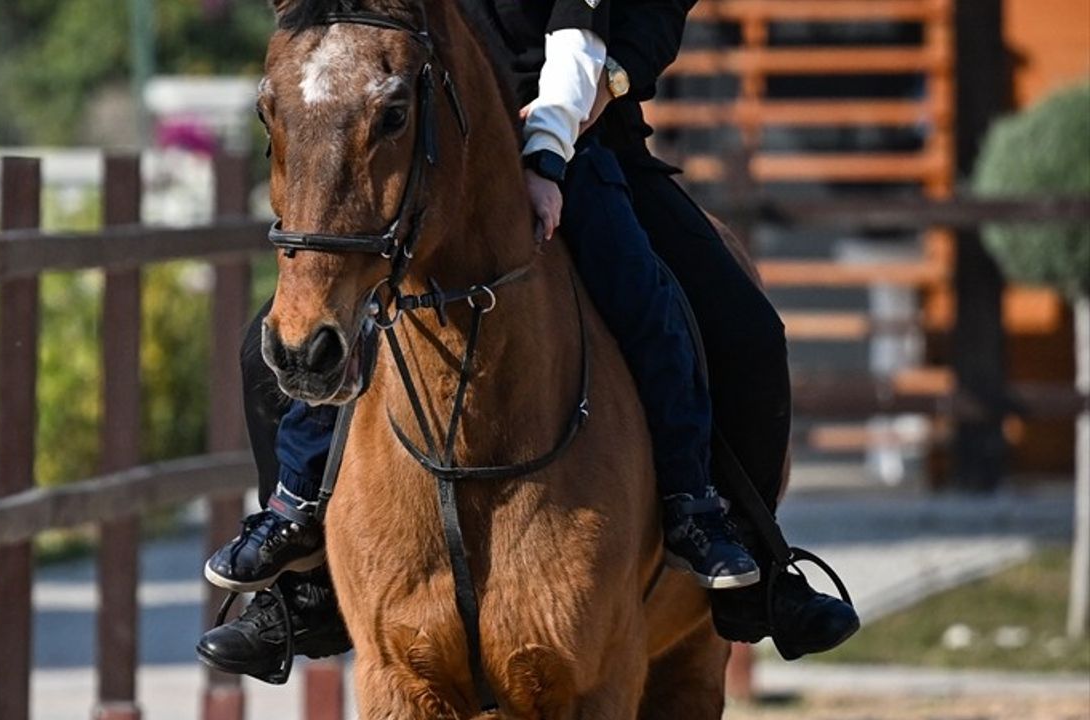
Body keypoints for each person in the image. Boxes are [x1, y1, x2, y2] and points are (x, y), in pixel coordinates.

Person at [197, 0, 859, 681]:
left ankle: (732, 537)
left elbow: (592, 33)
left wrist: (552, 148)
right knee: (269, 348)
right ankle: (301, 562)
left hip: (583, 135)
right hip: (423, 145)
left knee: (732, 326)